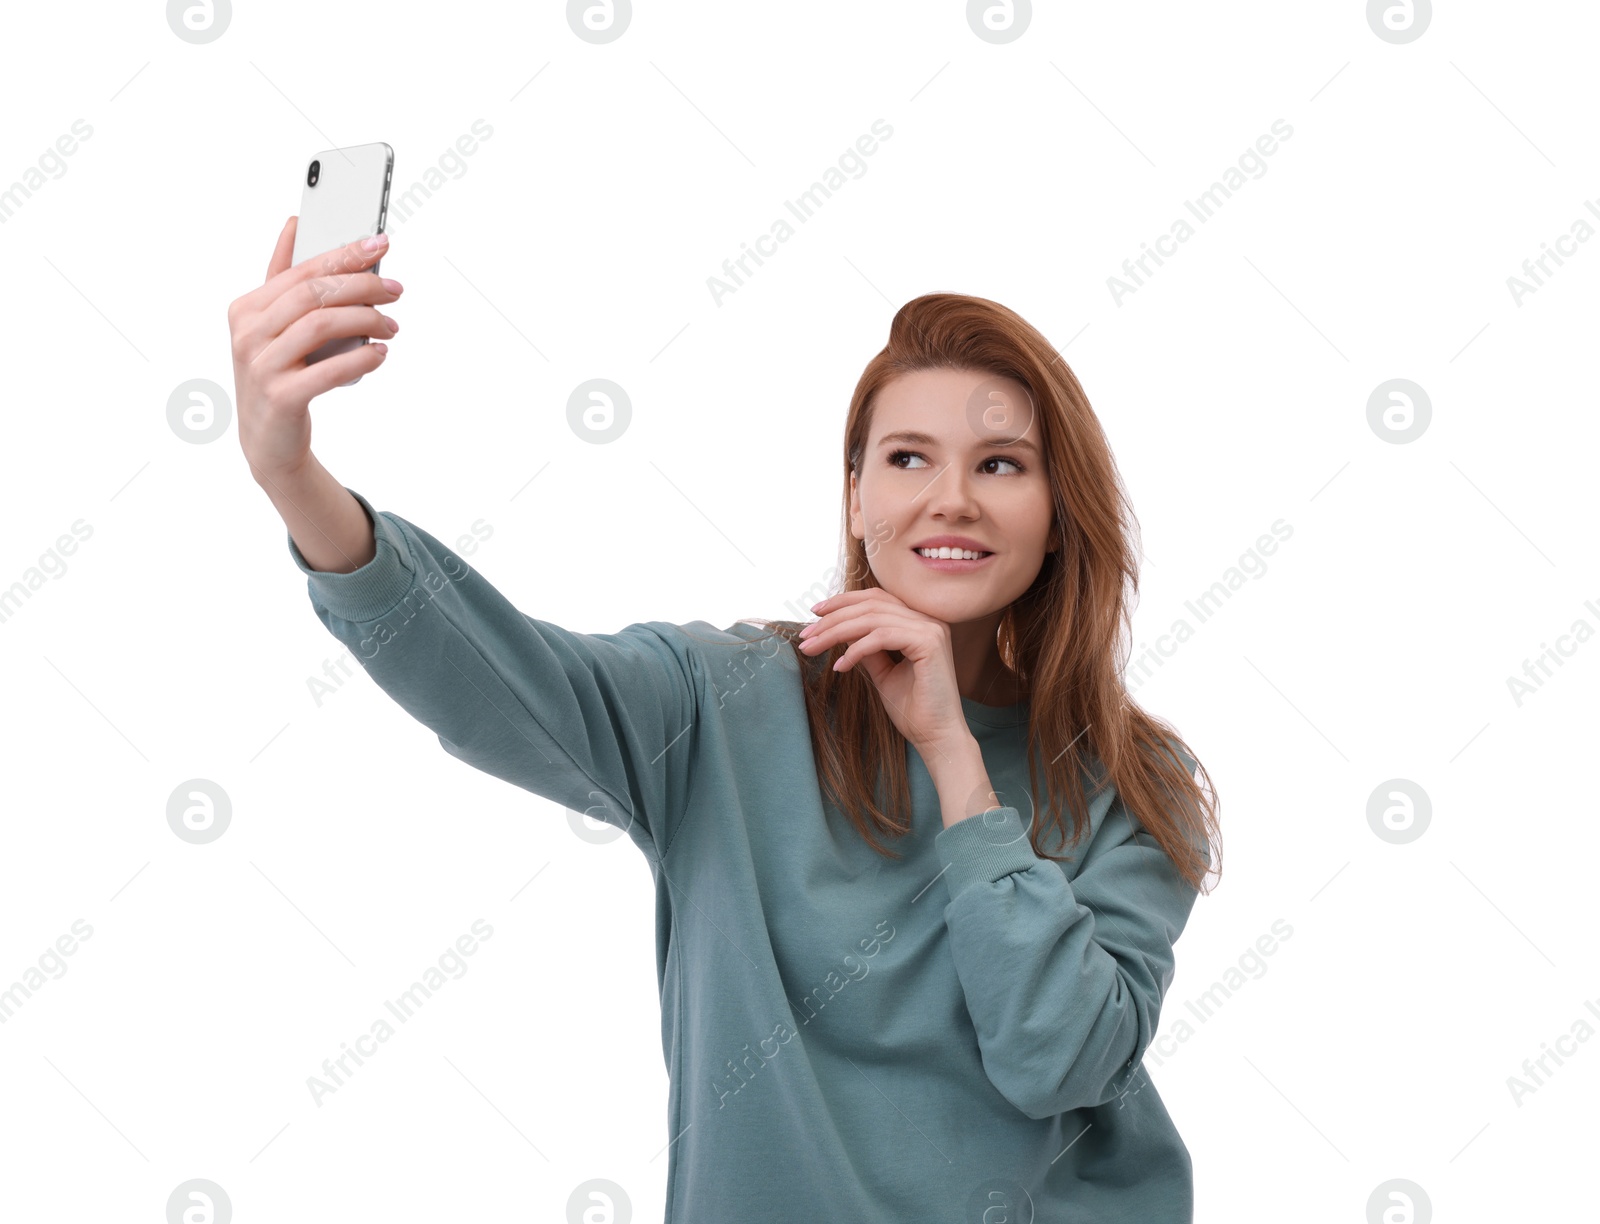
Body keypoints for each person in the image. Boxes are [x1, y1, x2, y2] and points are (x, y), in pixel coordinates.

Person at [228, 219, 1222, 1223]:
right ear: (855, 496)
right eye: (909, 458)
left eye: (1001, 465)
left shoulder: (1136, 782)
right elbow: (495, 676)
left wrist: (952, 758)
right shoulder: (726, 701)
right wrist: (290, 473)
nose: (951, 500)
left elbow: (1058, 1060)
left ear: (1058, 511)